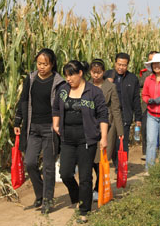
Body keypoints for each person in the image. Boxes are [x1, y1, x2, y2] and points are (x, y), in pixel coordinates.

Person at [52, 60, 109, 222]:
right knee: (65, 173)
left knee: (85, 176)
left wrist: (103, 137)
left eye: (71, 75)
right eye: (66, 75)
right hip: (67, 139)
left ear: (80, 73)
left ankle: (84, 210)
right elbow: (56, 107)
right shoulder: (63, 90)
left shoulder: (93, 92)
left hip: (87, 139)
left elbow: (103, 115)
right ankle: (77, 197)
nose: (68, 78)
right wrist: (56, 123)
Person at [13, 49, 65, 214]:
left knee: (49, 166)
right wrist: (18, 120)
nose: (41, 67)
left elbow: (62, 106)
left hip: (50, 127)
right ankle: (40, 194)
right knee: (30, 162)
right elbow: (24, 100)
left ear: (52, 64)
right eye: (39, 63)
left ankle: (48, 199)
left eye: (45, 64)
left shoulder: (58, 82)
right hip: (32, 127)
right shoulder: (31, 78)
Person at [89, 59, 124, 201]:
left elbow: (116, 109)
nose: (96, 75)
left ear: (103, 72)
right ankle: (93, 186)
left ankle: (98, 187)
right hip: (90, 127)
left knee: (101, 159)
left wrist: (120, 131)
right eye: (93, 72)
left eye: (99, 73)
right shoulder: (85, 85)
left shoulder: (111, 87)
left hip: (107, 127)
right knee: (90, 159)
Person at [104, 53, 143, 168]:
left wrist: (138, 118)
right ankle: (106, 164)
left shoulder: (132, 78)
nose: (121, 67)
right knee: (110, 142)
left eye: (124, 65)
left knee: (122, 142)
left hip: (125, 114)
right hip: (109, 115)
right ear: (115, 63)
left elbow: (136, 99)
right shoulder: (106, 75)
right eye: (119, 64)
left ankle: (121, 168)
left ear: (128, 65)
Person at [139, 51, 158, 160]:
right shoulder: (145, 73)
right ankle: (145, 152)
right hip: (146, 106)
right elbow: (140, 83)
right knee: (145, 128)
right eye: (150, 60)